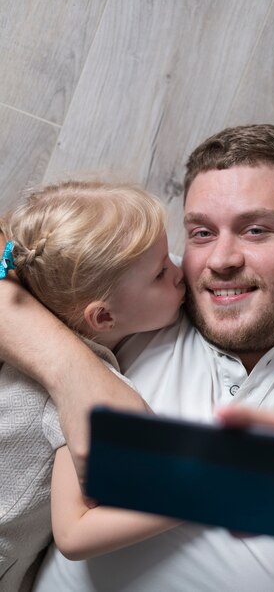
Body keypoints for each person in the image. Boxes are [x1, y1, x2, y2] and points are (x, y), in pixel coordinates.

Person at [1, 124, 274, 592]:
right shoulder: (146, 296)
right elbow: (18, 250)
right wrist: (71, 369)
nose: (220, 259)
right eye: (200, 232)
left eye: (255, 230)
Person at [0, 180, 185, 591]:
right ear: (102, 318)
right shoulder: (90, 387)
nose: (179, 271)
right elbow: (75, 532)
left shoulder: (15, 337)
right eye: (161, 272)